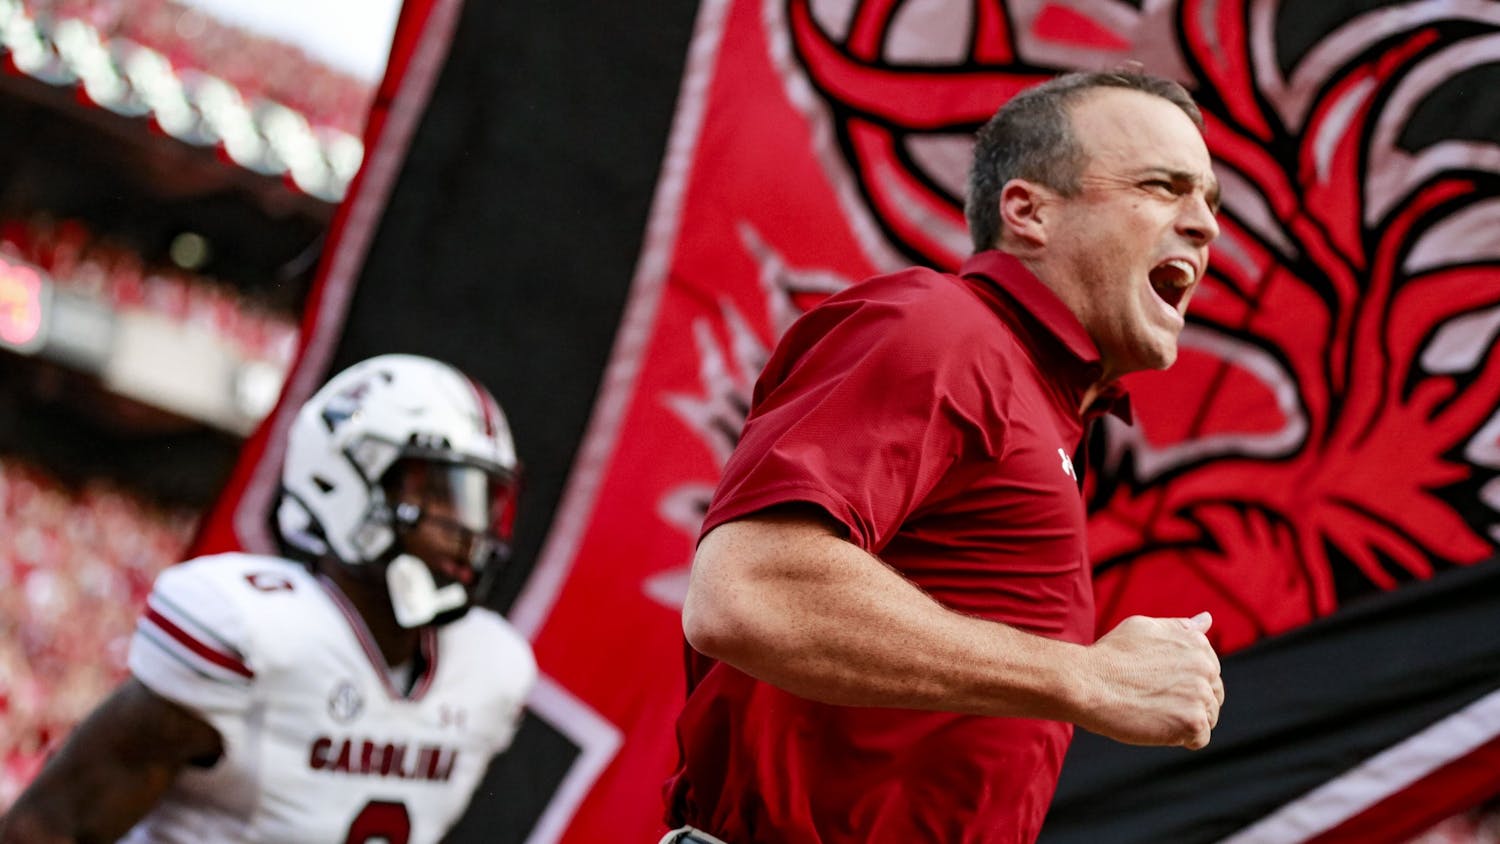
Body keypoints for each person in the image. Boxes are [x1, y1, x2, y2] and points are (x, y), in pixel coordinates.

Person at [661, 70, 1226, 843]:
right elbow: (749, 591)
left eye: (1210, 201)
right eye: (1164, 186)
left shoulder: (1043, 401)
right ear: (1028, 211)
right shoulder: (943, 330)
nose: (1205, 225)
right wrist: (1087, 676)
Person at [0, 354, 537, 844]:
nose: (469, 529)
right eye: (441, 492)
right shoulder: (255, 633)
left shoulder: (490, 672)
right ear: (343, 480)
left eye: (481, 503)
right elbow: (51, 825)